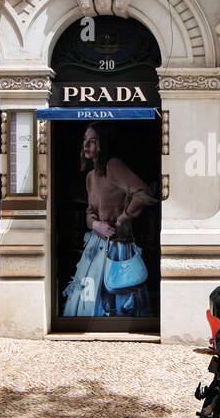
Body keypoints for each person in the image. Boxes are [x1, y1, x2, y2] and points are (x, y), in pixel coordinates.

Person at [62, 125, 156, 317]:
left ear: (103, 144)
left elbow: (144, 193)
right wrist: (96, 224)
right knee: (91, 293)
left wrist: (123, 218)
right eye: (84, 140)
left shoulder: (112, 166)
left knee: (116, 291)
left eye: (93, 141)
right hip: (95, 246)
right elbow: (89, 211)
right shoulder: (90, 176)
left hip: (118, 246)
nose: (86, 145)